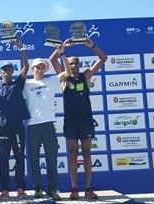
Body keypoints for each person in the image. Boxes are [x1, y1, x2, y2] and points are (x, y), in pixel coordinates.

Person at [50, 38, 107, 200]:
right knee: (73, 154)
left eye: (76, 63)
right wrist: (61, 48)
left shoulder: (86, 75)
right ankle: (74, 188)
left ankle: (88, 188)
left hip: (86, 121)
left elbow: (103, 59)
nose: (74, 66)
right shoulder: (63, 78)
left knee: (87, 154)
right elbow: (53, 60)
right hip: (70, 122)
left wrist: (93, 46)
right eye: (71, 63)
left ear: (80, 65)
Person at [22, 40, 72, 201]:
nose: (40, 69)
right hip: (32, 125)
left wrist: (62, 53)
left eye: (43, 67)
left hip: (48, 124)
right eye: (38, 67)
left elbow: (68, 73)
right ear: (33, 68)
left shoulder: (51, 81)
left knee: (52, 158)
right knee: (34, 159)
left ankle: (53, 189)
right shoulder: (26, 84)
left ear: (45, 69)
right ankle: (37, 188)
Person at [0, 37, 30, 200]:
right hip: (3, 128)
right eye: (4, 70)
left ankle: (20, 188)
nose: (7, 72)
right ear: (1, 72)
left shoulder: (17, 84)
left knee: (19, 157)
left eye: (9, 70)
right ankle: (4, 189)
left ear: (12, 72)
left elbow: (26, 66)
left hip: (18, 127)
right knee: (3, 159)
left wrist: (21, 48)